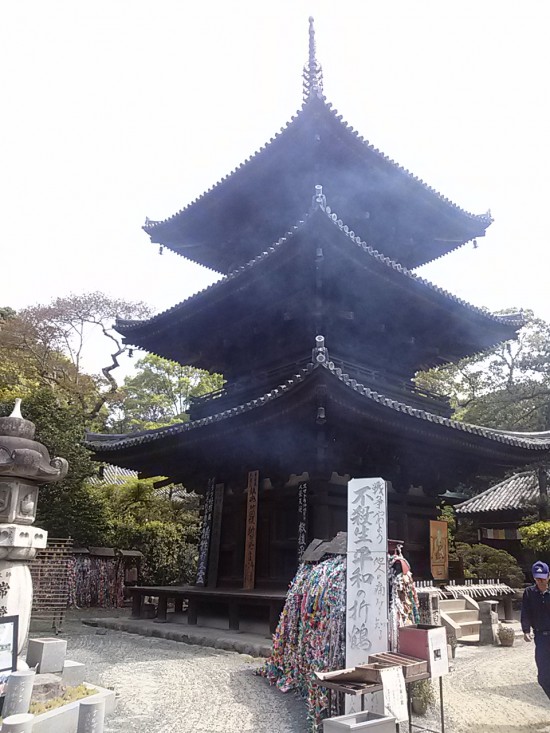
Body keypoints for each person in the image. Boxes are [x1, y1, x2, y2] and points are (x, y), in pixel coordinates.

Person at [521, 560, 550, 699]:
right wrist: (526, 630)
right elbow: (525, 612)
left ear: (549, 576)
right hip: (541, 637)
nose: (541, 581)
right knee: (543, 676)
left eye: (543, 578)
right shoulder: (529, 593)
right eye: (538, 578)